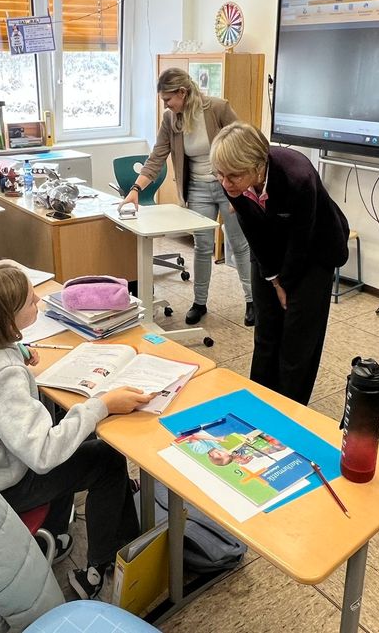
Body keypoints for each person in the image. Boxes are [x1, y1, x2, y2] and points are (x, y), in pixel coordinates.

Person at [0, 264, 151, 600]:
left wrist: (15, 350)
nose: (39, 305)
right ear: (5, 320)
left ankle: (57, 533)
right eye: (31, 303)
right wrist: (102, 404)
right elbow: (43, 455)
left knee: (69, 432)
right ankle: (99, 568)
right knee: (106, 459)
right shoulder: (1, 373)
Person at [210, 122, 350, 406]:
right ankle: (260, 405)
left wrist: (285, 284)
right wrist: (272, 279)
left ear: (258, 166)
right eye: (220, 175)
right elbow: (251, 230)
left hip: (315, 248)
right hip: (269, 244)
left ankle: (290, 410)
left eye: (233, 176)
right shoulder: (231, 178)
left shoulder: (298, 176)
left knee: (298, 338)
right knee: (266, 330)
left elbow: (301, 240)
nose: (225, 183)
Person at [122, 68, 254, 326]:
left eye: (168, 99)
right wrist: (135, 190)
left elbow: (243, 145)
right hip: (197, 189)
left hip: (230, 186)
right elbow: (157, 157)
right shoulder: (171, 119)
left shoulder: (218, 108)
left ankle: (252, 301)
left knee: (239, 244)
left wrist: (244, 189)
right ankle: (200, 302)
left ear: (182, 92)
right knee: (203, 247)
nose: (166, 105)